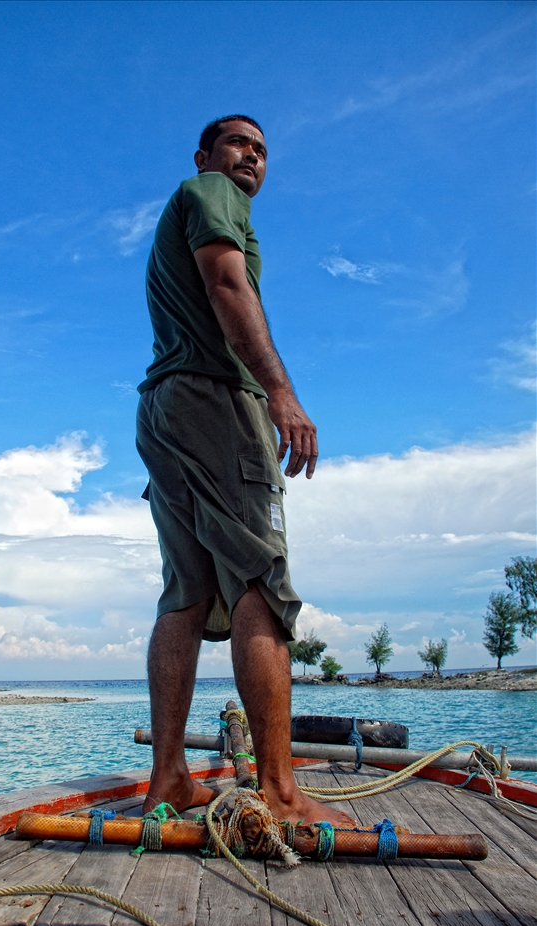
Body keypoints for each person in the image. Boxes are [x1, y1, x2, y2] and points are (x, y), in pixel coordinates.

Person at [136, 115, 354, 827]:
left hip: (163, 408)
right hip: (217, 401)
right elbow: (228, 284)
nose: (251, 156)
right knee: (260, 579)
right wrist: (281, 393)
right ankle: (282, 792)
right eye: (238, 143)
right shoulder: (210, 192)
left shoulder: (195, 200)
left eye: (261, 150)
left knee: (187, 591)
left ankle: (169, 779)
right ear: (205, 155)